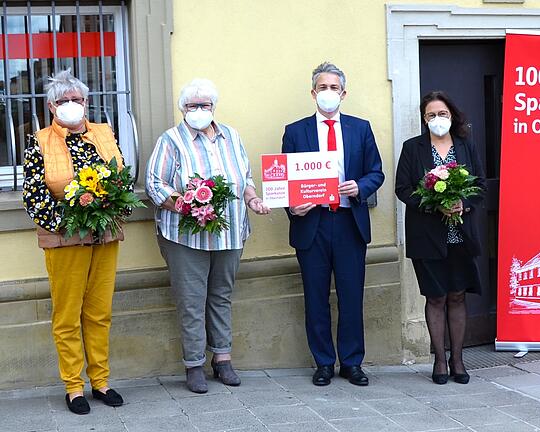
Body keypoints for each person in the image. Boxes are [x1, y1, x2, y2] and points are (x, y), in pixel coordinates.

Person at [145, 79, 270, 393]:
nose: (198, 110)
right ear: (183, 109)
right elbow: (154, 184)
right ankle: (193, 364)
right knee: (191, 300)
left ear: (213, 107)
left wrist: (253, 199)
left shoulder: (231, 136)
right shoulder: (171, 140)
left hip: (229, 232)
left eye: (204, 105)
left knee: (222, 295)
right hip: (186, 237)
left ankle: (223, 358)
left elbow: (245, 177)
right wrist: (185, 205)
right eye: (192, 105)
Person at [22, 69, 125, 414]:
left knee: (99, 313)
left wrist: (110, 205)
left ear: (86, 102)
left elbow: (121, 178)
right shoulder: (40, 140)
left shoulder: (104, 133)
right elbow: (35, 194)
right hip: (65, 239)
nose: (70, 105)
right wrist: (71, 223)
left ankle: (101, 381)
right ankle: (73, 386)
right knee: (67, 316)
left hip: (105, 235)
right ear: (52, 107)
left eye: (76, 99)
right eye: (62, 101)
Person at [282, 62, 384, 386]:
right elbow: (284, 181)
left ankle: (352, 362)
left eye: (334, 88)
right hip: (312, 224)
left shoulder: (360, 128)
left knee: (351, 296)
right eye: (322, 88)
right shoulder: (295, 131)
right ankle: (323, 362)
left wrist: (361, 188)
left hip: (348, 223)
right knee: (315, 298)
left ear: (344, 93)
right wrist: (292, 207)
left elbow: (376, 172)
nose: (329, 93)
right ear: (313, 93)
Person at [395, 91, 485, 384]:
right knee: (436, 297)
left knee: (457, 295)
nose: (437, 119)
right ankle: (439, 361)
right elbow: (403, 188)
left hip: (460, 235)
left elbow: (481, 186)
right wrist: (434, 204)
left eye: (442, 114)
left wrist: (464, 204)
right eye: (431, 115)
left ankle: (458, 359)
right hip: (427, 235)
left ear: (452, 116)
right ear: (424, 119)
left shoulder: (465, 146)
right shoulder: (413, 148)